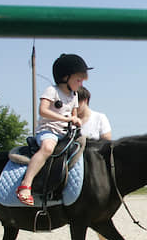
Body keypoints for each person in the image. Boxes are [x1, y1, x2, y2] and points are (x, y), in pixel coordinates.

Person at [17, 54, 92, 206]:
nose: (81, 83)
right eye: (78, 79)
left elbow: (74, 114)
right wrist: (66, 119)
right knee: (47, 148)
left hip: (65, 134)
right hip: (48, 131)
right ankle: (25, 185)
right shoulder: (52, 91)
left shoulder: (74, 95)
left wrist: (76, 120)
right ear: (65, 77)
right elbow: (42, 111)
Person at [77, 86, 113, 240]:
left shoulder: (99, 118)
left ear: (84, 101)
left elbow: (107, 142)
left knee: (100, 217)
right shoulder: (71, 121)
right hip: (76, 174)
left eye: (76, 103)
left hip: (95, 174)